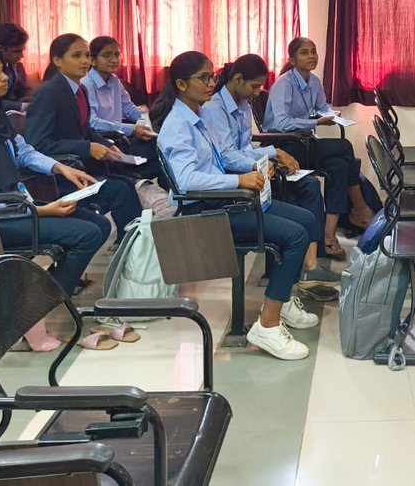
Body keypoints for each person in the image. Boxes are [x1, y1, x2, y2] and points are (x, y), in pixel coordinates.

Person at [0, 48, 119, 350]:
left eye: (3, 70)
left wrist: (61, 168)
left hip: (14, 209)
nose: (4, 78)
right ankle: (31, 312)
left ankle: (34, 301)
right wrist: (41, 211)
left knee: (98, 225)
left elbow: (23, 151)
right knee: (86, 234)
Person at [153, 51, 321, 360]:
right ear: (181, 84)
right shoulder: (178, 124)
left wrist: (256, 168)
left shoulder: (198, 116)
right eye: (203, 78)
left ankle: (281, 301)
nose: (211, 83)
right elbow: (186, 180)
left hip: (224, 201)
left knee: (306, 219)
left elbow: (224, 156)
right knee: (295, 236)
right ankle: (267, 326)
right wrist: (239, 181)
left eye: (212, 76)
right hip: (203, 212)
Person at [202, 54, 339, 298]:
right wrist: (262, 161)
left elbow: (245, 148)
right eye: (254, 86)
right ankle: (299, 269)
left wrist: (275, 153)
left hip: (249, 171)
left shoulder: (243, 105)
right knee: (302, 194)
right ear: (237, 79)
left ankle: (308, 264)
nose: (257, 93)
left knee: (308, 184)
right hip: (235, 180)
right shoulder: (215, 109)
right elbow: (226, 156)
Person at [264, 37, 381, 258]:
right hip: (283, 146)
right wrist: (316, 122)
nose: (311, 56)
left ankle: (328, 237)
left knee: (340, 166)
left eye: (313, 51)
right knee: (344, 147)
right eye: (304, 53)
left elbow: (321, 108)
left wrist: (330, 115)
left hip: (304, 142)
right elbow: (282, 123)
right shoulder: (284, 84)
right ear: (292, 59)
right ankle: (360, 209)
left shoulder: (314, 81)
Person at [24, 34, 141, 239]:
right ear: (57, 60)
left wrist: (106, 144)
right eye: (76, 56)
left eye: (87, 55)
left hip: (82, 168)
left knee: (127, 183)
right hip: (58, 176)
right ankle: (133, 247)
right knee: (120, 190)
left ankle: (134, 245)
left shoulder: (80, 90)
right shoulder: (49, 93)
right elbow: (38, 144)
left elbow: (85, 130)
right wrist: (86, 148)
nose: (85, 61)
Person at [82, 36, 161, 180]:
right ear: (92, 60)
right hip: (102, 141)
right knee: (156, 150)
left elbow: (129, 109)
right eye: (107, 55)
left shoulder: (114, 81)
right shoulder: (87, 84)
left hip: (121, 136)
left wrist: (149, 121)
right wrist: (132, 129)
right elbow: (92, 122)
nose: (114, 60)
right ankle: (129, 178)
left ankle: (134, 178)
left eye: (117, 55)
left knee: (161, 146)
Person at [0, 22, 33, 112]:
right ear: (0, 48)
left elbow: (20, 88)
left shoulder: (11, 63)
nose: (21, 56)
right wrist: (23, 106)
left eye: (22, 51)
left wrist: (37, 97)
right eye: (16, 51)